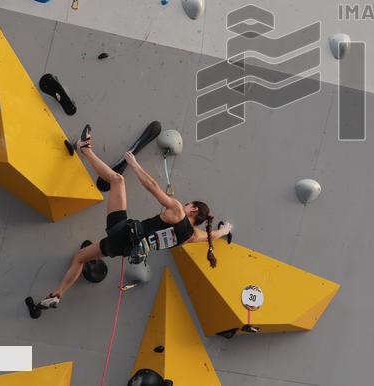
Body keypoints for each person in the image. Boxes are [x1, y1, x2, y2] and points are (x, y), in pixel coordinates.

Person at [37, 126, 231, 309]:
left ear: (194, 209)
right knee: (80, 258)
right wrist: (225, 230)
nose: (185, 204)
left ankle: (83, 147)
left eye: (189, 204)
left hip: (122, 230)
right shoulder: (192, 237)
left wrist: (134, 164)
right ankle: (57, 294)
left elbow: (153, 186)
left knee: (117, 180)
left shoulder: (178, 211)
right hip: (124, 248)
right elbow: (210, 236)